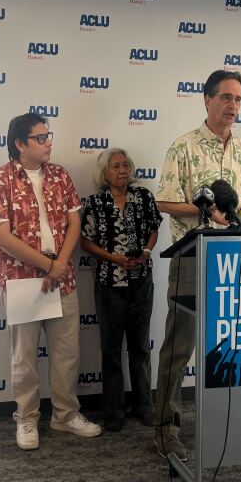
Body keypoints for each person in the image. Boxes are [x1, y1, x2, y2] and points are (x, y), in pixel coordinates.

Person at [153, 69, 241, 460]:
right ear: (207, 100)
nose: (233, 106)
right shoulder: (183, 147)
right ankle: (165, 429)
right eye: (226, 98)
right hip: (191, 255)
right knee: (179, 347)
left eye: (238, 99)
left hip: (234, 260)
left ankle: (230, 421)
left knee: (231, 346)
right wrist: (206, 210)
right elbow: (165, 201)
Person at [0, 113, 103, 450]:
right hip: (22, 280)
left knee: (67, 353)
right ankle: (26, 418)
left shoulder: (61, 176)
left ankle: (65, 415)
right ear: (20, 144)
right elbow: (1, 235)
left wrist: (60, 264)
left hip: (61, 277)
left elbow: (74, 223)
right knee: (23, 356)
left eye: (48, 136)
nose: (48, 142)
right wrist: (46, 265)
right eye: (40, 137)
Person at [80, 148, 161, 432]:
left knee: (140, 347)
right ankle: (113, 411)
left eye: (126, 165)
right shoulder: (94, 202)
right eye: (115, 166)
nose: (122, 170)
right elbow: (85, 242)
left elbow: (154, 227)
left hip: (141, 282)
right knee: (111, 350)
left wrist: (147, 250)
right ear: (104, 173)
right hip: (108, 283)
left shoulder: (144, 197)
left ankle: (145, 406)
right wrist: (114, 258)